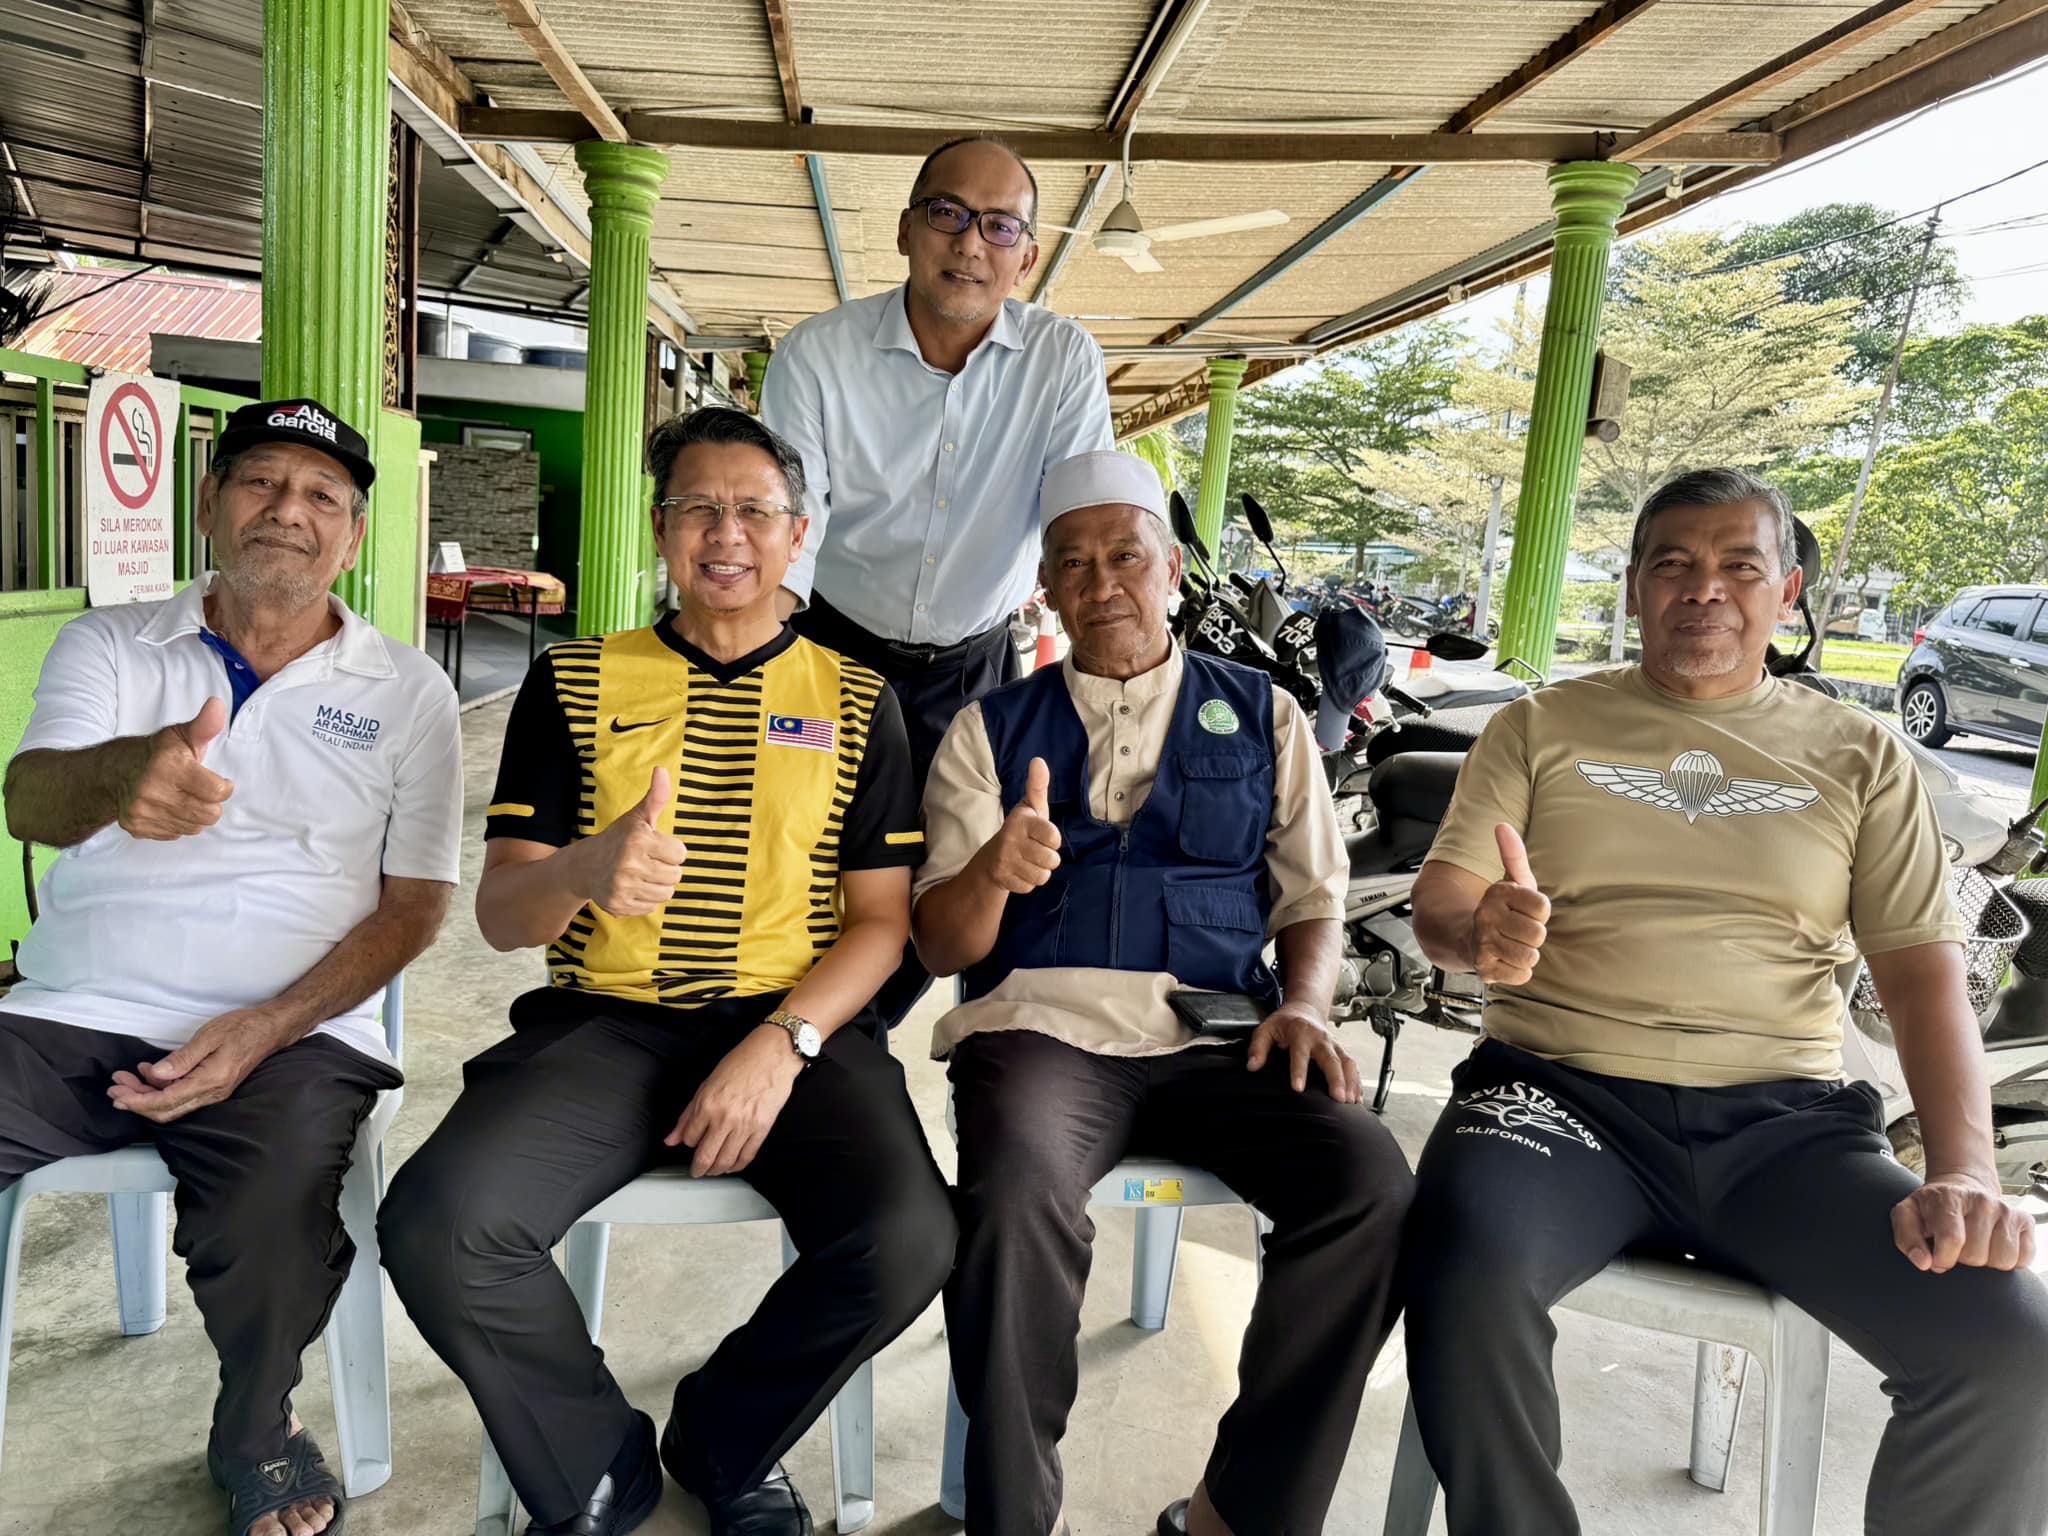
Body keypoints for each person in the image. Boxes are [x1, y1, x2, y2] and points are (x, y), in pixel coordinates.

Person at [1401, 467, 2048, 1535]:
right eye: (1672, 564)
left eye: (1739, 566)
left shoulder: (1863, 757)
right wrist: (1478, 935)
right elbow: (1442, 905)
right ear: (1633, 588)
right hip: (1554, 1100)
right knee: (1460, 1266)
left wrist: (1964, 1171)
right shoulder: (1539, 726)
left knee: (2008, 1344)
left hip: (1785, 1128)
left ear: (1785, 592)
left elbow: (1922, 977)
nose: (1703, 588)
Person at [378, 407, 955, 1536]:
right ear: (659, 527)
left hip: (791, 1030)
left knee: (907, 1240)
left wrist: (783, 1044)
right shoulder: (575, 681)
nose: (724, 533)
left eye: (753, 511)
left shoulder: (856, 700)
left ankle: (724, 1442)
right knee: (443, 1226)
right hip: (603, 1026)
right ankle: (596, 1466)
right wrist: (585, 867)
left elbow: (883, 924)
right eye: (697, 507)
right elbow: (502, 916)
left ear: (797, 535)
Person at [914, 450, 1415, 1536]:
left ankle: (1240, 1513)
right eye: (1072, 564)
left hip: (1220, 1035)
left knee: (1366, 1181)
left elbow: (1311, 896)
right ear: (1045, 588)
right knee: (1012, 1201)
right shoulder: (987, 729)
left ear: (1173, 568)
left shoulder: (1267, 713)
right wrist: (991, 873)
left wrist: (1305, 1006)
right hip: (1042, 1035)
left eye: (1126, 557)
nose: (1101, 584)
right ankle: (1013, 1518)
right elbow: (939, 938)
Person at [0, 398, 461, 1536]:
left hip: (294, 1031)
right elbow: (31, 801)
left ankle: (256, 1429)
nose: (286, 511)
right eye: (260, 482)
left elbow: (414, 909)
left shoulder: (410, 691)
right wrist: (122, 775)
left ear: (353, 535)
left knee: (275, 1211)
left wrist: (267, 1025)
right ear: (209, 503)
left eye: (320, 496)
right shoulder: (111, 644)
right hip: (73, 1008)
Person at [763, 133, 1113, 1029]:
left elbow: (1081, 521)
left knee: (959, 877)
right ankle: (800, 1031)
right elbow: (789, 530)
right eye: (947, 213)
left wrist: (1118, 681)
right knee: (801, 858)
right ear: (906, 229)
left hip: (976, 672)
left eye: (1000, 226)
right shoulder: (819, 354)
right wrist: (749, 671)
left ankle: (849, 1040)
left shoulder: (1063, 360)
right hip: (831, 653)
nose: (970, 243)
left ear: (1027, 255)